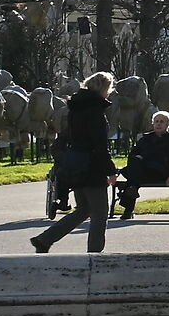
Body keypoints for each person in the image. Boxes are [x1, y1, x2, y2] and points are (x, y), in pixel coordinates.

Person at [31, 72, 118, 254]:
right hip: (92, 167)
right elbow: (99, 145)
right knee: (99, 213)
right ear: (104, 89)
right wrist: (111, 170)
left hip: (75, 164)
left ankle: (45, 239)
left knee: (84, 209)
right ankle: (95, 254)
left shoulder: (75, 109)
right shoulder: (95, 111)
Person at [118, 109, 169, 221]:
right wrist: (138, 158)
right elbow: (132, 154)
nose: (158, 124)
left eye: (162, 122)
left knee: (133, 176)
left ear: (168, 124)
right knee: (135, 165)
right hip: (143, 170)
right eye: (156, 121)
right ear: (153, 123)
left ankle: (128, 206)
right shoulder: (146, 138)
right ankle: (132, 190)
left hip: (160, 171)